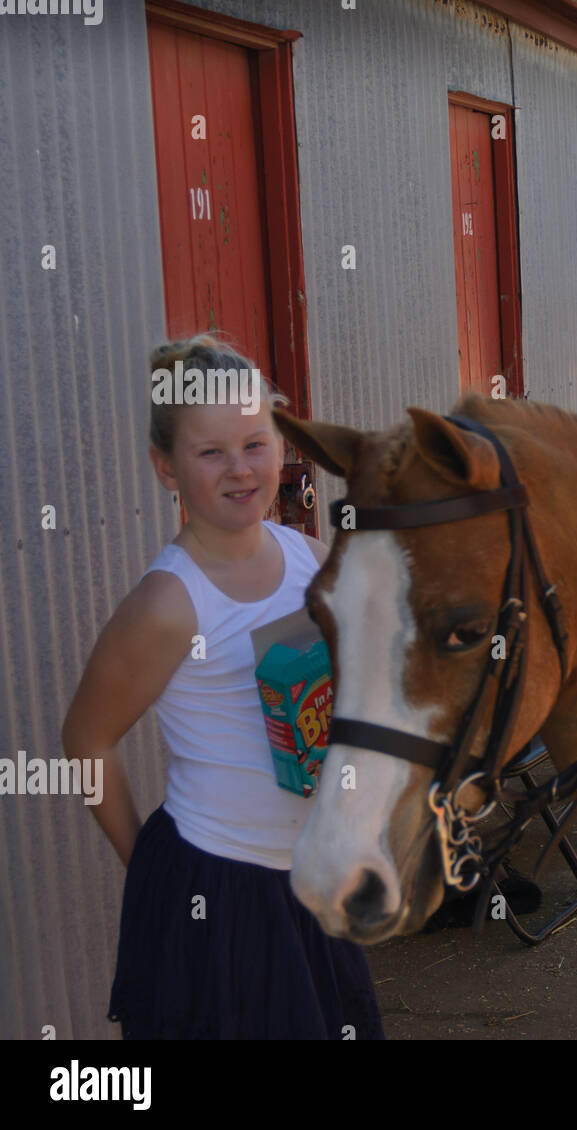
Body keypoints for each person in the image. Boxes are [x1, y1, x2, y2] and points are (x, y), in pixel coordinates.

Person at [61, 335, 384, 1039]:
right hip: (219, 891)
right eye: (210, 453)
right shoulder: (169, 604)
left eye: (255, 444)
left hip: (309, 882)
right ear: (165, 468)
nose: (239, 470)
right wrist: (148, 865)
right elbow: (84, 739)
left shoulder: (316, 562)